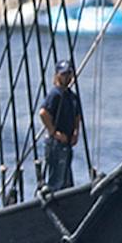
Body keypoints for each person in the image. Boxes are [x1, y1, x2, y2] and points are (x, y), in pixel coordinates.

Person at [38, 62, 82, 193]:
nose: (67, 77)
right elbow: (43, 113)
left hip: (67, 143)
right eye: (64, 74)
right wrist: (54, 132)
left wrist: (76, 132)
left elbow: (77, 116)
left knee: (67, 181)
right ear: (57, 76)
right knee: (56, 181)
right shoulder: (55, 94)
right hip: (56, 143)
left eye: (69, 74)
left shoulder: (71, 96)